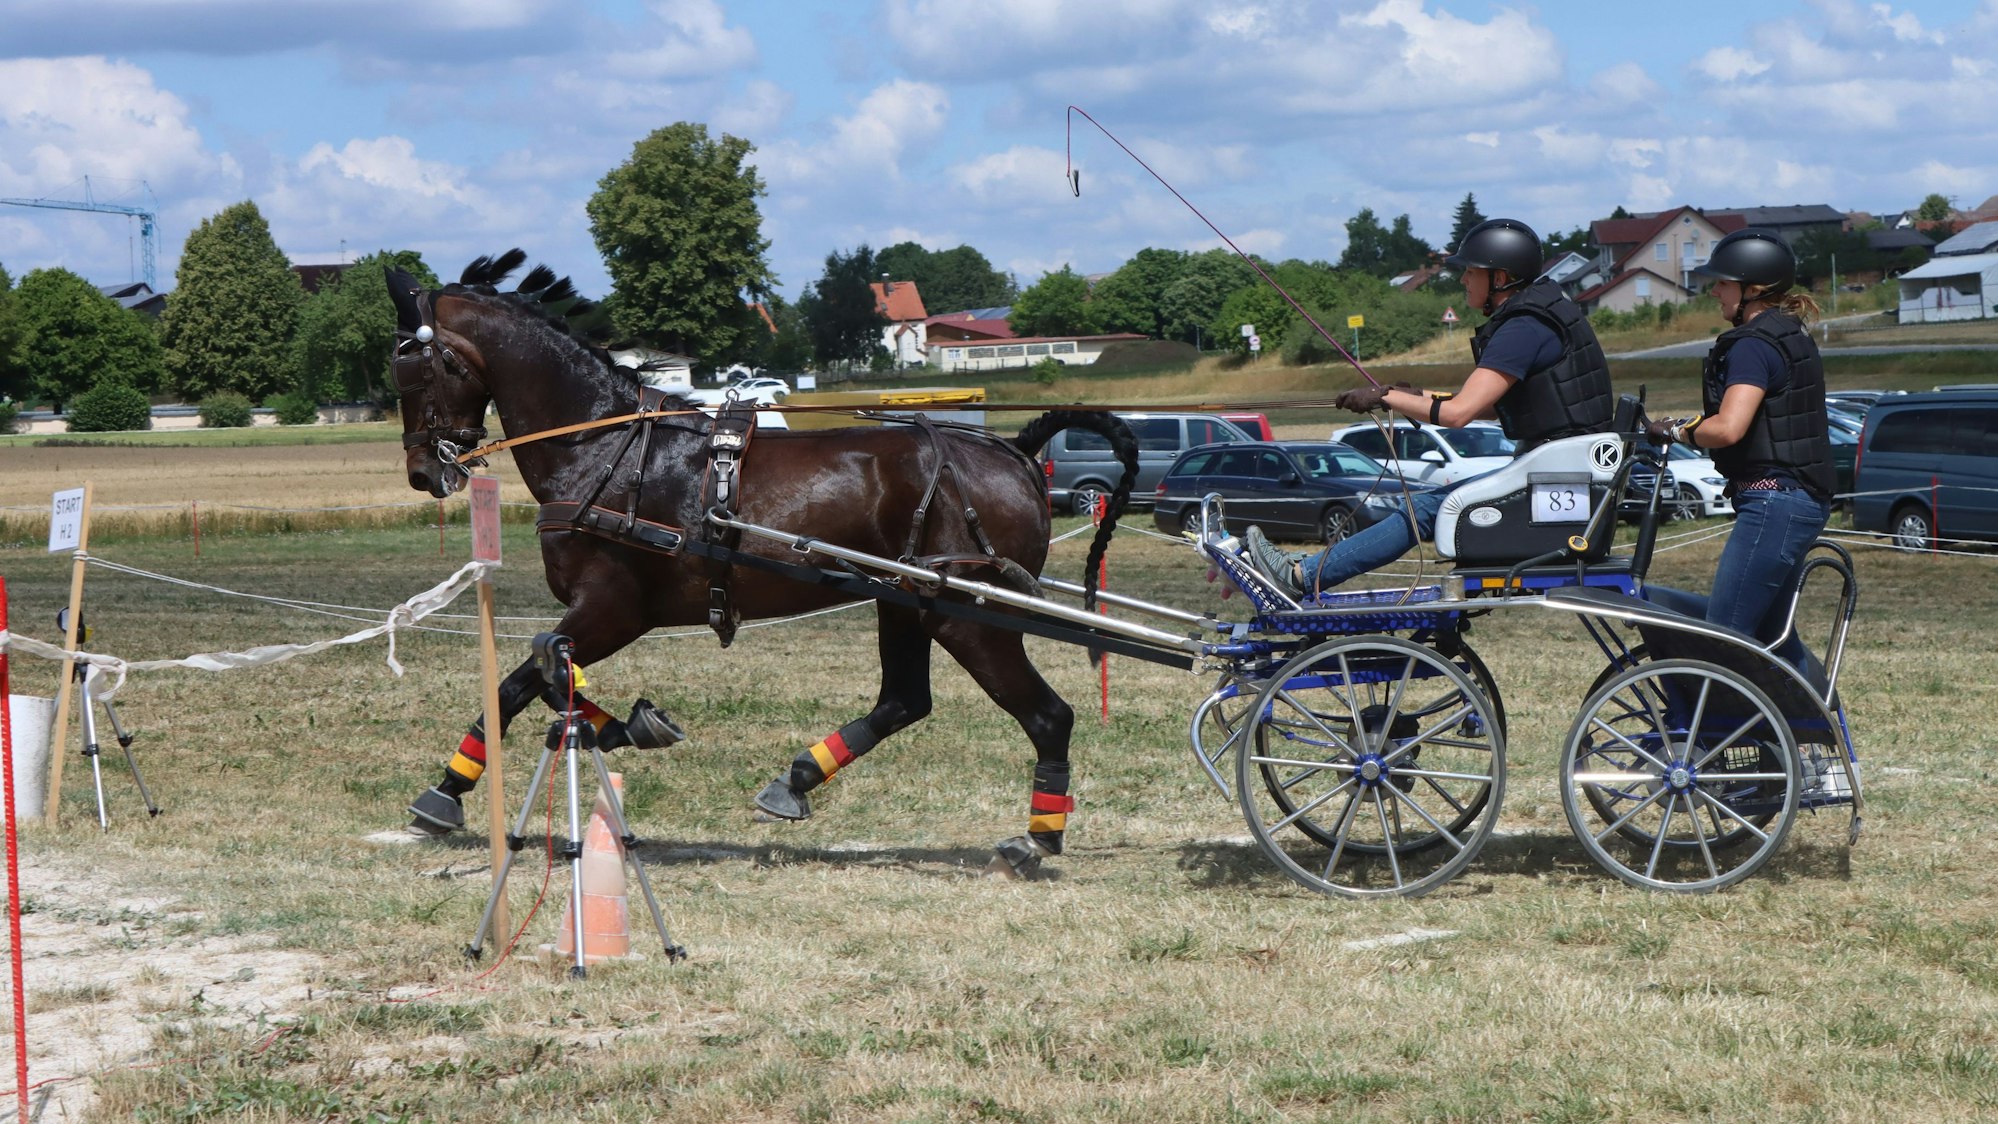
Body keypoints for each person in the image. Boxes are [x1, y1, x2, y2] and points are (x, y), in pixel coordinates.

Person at [1245, 217, 1615, 596]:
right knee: (1427, 507)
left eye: (1471, 271)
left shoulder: (1522, 327)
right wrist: (1411, 395)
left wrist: (1384, 397)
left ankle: (1299, 578)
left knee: (1421, 510)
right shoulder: (1541, 314)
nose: (1462, 280)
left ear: (1500, 279)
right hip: (1564, 477)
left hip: (1557, 482)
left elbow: (1459, 414)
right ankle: (1302, 572)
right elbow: (1486, 405)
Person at [1640, 229, 1833, 671]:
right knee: (1772, 636)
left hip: (1773, 503)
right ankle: (1808, 735)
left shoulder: (1752, 345)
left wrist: (1677, 432)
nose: (1714, 292)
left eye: (1722, 283)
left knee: (1723, 638)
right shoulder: (1789, 334)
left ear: (1754, 290)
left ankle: (1710, 736)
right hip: (1797, 499)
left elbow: (1727, 429)